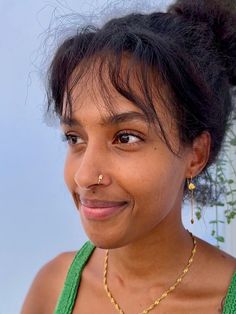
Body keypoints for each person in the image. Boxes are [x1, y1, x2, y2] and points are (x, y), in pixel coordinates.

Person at [21, 0, 236, 313]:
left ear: (196, 155)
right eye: (75, 138)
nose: (84, 176)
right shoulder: (53, 287)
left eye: (126, 137)